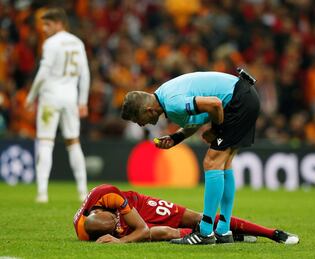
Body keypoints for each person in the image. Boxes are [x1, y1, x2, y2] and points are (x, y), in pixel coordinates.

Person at [121, 69, 260, 244]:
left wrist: (216, 130)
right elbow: (199, 117)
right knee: (224, 163)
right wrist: (176, 138)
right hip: (243, 96)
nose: (141, 124)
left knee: (212, 162)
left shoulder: (172, 103)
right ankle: (223, 230)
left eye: (137, 119)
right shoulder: (165, 96)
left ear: (148, 110)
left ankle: (205, 232)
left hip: (237, 101)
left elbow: (215, 104)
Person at [73, 184, 299, 245]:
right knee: (166, 233)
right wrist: (117, 232)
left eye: (114, 221)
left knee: (198, 218)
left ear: (100, 208)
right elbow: (143, 232)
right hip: (128, 221)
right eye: (113, 227)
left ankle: (272, 233)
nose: (116, 225)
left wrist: (121, 242)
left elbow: (141, 228)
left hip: (138, 206)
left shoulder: (108, 194)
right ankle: (221, 236)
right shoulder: (85, 231)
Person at [25, 8, 90, 203]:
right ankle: (82, 191)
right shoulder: (77, 42)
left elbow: (43, 73)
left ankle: (42, 193)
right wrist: (83, 101)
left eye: (48, 24)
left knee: (45, 141)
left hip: (50, 98)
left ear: (59, 23)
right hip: (70, 97)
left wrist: (30, 97)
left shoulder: (51, 44)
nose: (44, 28)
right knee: (73, 142)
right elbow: (84, 73)